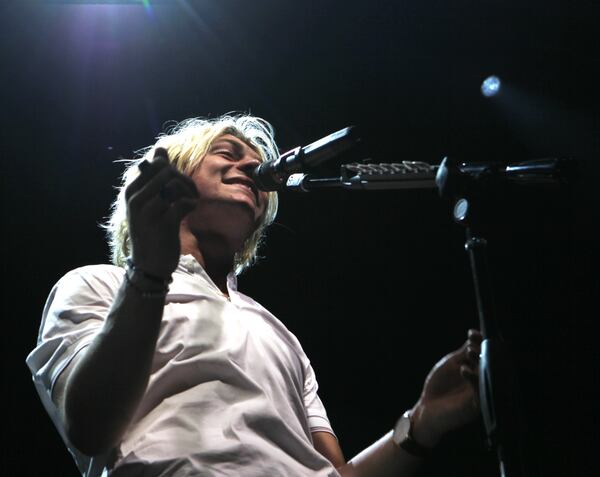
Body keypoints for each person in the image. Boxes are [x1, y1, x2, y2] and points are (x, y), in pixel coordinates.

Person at [27, 114, 483, 477]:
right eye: (228, 153)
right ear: (174, 177)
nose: (251, 166)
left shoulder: (277, 332)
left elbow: (331, 473)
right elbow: (89, 428)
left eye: (256, 163)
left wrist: (422, 422)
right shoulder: (95, 286)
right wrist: (150, 272)